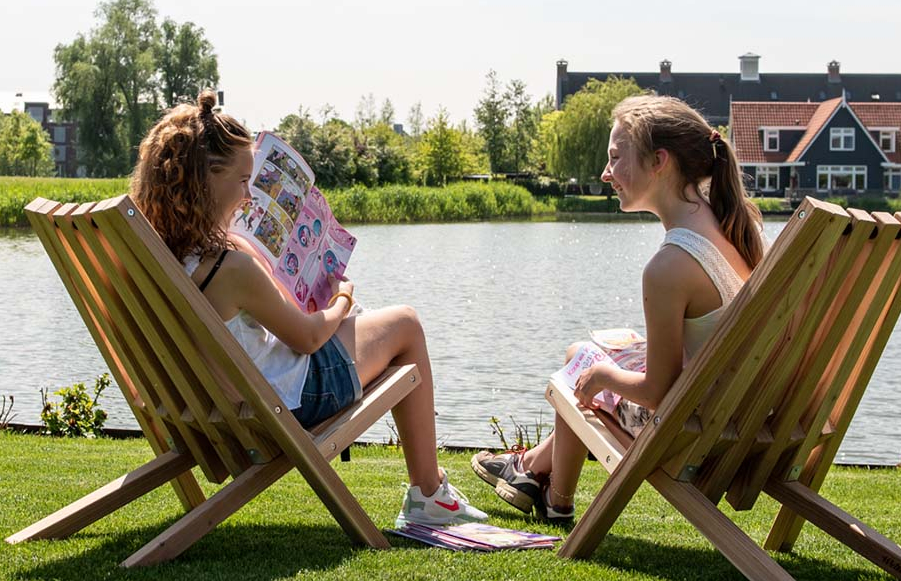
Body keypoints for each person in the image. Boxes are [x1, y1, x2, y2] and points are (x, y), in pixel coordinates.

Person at [131, 89, 487, 526]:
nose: (248, 197)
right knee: (406, 325)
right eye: (243, 181)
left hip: (202, 411)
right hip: (286, 400)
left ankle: (430, 493)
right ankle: (428, 493)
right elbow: (309, 337)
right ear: (205, 182)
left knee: (362, 324)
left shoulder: (156, 257)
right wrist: (342, 299)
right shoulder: (229, 267)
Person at [472, 94, 764, 525]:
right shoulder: (735, 230)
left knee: (581, 364)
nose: (606, 174)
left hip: (695, 433)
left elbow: (656, 393)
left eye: (615, 158)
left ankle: (553, 491)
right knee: (586, 354)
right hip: (741, 418)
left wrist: (606, 375)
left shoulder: (671, 265)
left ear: (658, 161)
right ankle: (537, 475)